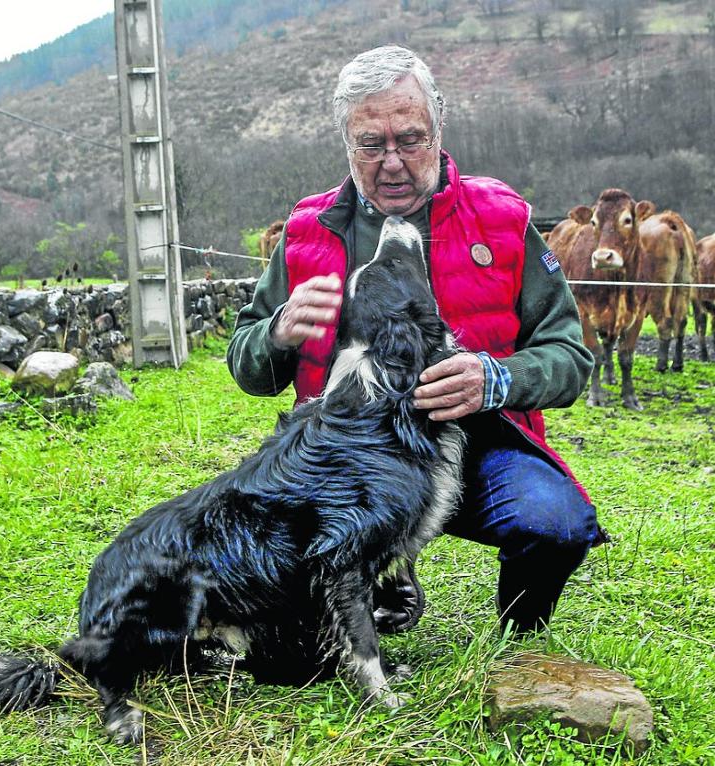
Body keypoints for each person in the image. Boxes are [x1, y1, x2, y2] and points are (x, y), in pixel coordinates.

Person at [227, 45, 601, 635]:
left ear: (439, 129)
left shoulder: (501, 220)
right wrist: (275, 334)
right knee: (293, 644)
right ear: (347, 144)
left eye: (410, 138)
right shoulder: (306, 233)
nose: (392, 162)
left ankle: (518, 636)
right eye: (371, 145)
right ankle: (379, 567)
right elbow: (247, 364)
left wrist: (495, 378)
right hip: (343, 457)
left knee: (553, 524)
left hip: (474, 442)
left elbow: (570, 357)